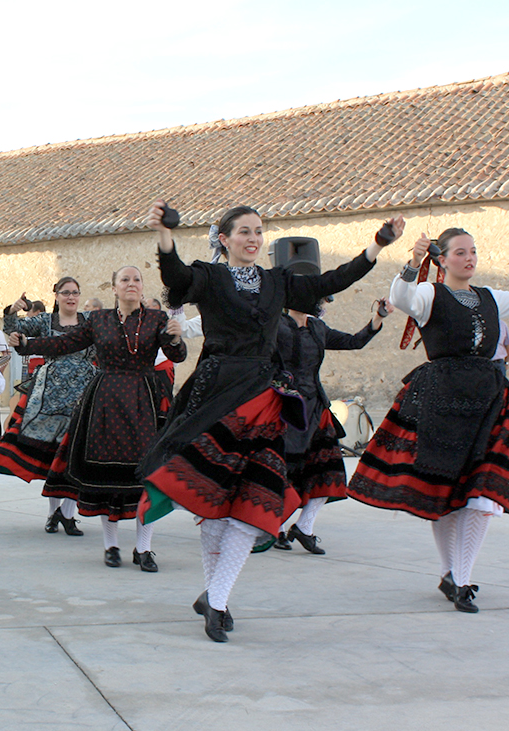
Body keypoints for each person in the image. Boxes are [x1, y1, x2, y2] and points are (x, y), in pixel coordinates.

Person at [139, 201, 404, 642]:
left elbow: (332, 280)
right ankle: (214, 597)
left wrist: (376, 245)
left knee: (259, 499)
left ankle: (216, 598)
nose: (253, 238)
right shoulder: (210, 275)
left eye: (258, 231)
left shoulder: (277, 281)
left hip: (263, 396)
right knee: (214, 501)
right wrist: (166, 237)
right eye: (243, 231)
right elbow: (177, 278)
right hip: (215, 393)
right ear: (224, 239)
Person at [348, 227, 509, 613]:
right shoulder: (428, 294)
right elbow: (401, 297)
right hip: (442, 399)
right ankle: (449, 572)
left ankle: (463, 577)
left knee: (482, 494)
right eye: (459, 253)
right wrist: (410, 264)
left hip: (488, 398)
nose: (468, 258)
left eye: (472, 251)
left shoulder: (494, 298)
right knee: (444, 492)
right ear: (442, 259)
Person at [8, 267, 187, 571]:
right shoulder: (99, 319)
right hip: (105, 399)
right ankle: (111, 545)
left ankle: (144, 548)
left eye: (137, 280)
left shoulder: (157, 319)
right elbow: (63, 344)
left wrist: (176, 339)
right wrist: (27, 345)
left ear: (142, 288)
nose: (132, 284)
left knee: (146, 474)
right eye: (125, 280)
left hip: (144, 400)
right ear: (114, 288)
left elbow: (177, 355)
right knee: (105, 474)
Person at [270, 298, 389, 555]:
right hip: (285, 409)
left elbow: (353, 342)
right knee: (284, 471)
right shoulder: (275, 325)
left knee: (329, 469)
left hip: (317, 408)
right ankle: (274, 527)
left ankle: (304, 527)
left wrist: (377, 319)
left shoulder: (318, 328)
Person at [0, 278, 97, 536]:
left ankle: (67, 515)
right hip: (51, 391)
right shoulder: (45, 321)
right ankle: (52, 513)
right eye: (65, 292)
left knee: (73, 453)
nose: (71, 297)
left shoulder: (90, 320)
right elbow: (13, 328)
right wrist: (13, 309)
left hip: (83, 389)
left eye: (75, 293)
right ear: (56, 295)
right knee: (53, 454)